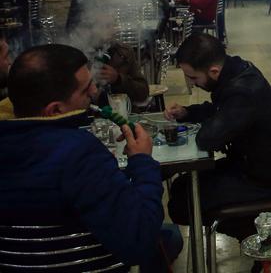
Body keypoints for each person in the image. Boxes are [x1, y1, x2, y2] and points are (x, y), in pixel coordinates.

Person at [0, 44, 182, 272]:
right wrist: (142, 161)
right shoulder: (79, 153)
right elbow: (140, 238)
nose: (95, 92)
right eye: (86, 90)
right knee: (168, 236)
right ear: (55, 110)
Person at [165, 34, 271, 254]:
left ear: (214, 71)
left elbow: (208, 138)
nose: (191, 83)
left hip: (265, 177)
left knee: (183, 203)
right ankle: (249, 229)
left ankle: (252, 234)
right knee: (181, 188)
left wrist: (206, 123)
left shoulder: (242, 91)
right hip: (251, 163)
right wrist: (188, 112)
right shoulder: (235, 71)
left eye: (193, 78)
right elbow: (221, 112)